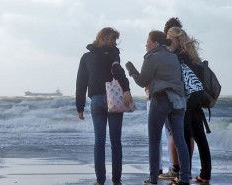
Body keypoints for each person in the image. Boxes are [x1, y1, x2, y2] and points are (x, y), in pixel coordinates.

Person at [125, 30, 190, 185]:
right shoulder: (173, 57)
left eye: (148, 41)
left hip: (160, 99)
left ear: (155, 43)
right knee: (180, 140)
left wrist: (132, 71)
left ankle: (153, 179)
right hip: (178, 101)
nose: (146, 44)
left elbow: (142, 81)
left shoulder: (152, 57)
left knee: (154, 141)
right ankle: (185, 178)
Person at [75, 27, 132, 185]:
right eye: (113, 39)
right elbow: (118, 71)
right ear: (104, 38)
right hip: (112, 99)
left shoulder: (86, 57)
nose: (115, 43)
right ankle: (116, 181)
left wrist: (79, 107)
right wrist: (126, 89)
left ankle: (100, 180)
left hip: (96, 101)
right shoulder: (113, 53)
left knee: (99, 142)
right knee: (116, 142)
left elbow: (81, 83)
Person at [167, 27, 212, 184]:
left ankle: (183, 176)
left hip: (186, 101)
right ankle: (205, 175)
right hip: (196, 101)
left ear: (177, 40)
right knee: (200, 138)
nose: (167, 43)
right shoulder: (194, 57)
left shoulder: (178, 57)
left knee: (184, 139)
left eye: (169, 39)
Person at [158, 17, 185, 180]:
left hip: (169, 96)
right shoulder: (187, 52)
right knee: (184, 134)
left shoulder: (167, 51)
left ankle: (172, 168)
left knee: (170, 134)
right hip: (184, 98)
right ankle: (181, 169)